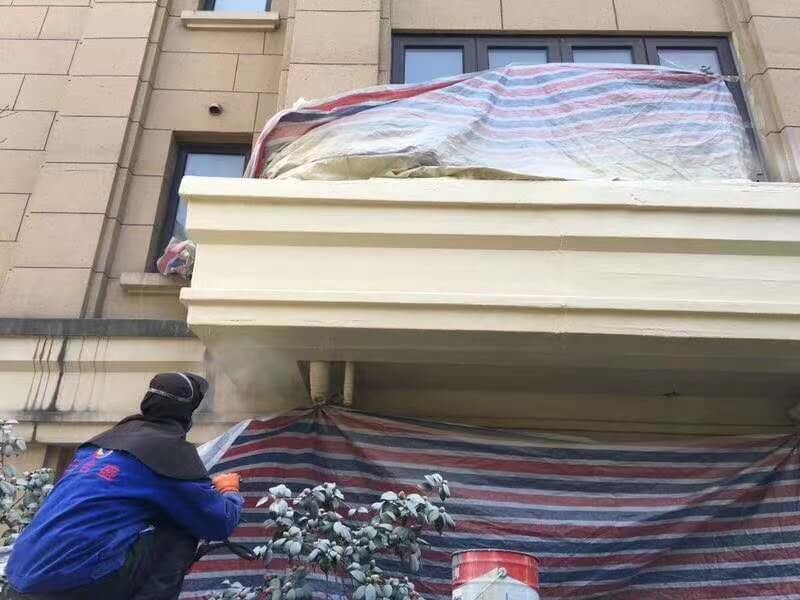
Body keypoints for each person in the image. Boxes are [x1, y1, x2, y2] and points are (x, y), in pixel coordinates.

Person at [4, 372, 244, 600]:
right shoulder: (168, 453)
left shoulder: (99, 445)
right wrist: (229, 491)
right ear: (186, 414)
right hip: (69, 581)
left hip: (19, 577)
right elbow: (218, 522)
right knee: (180, 530)